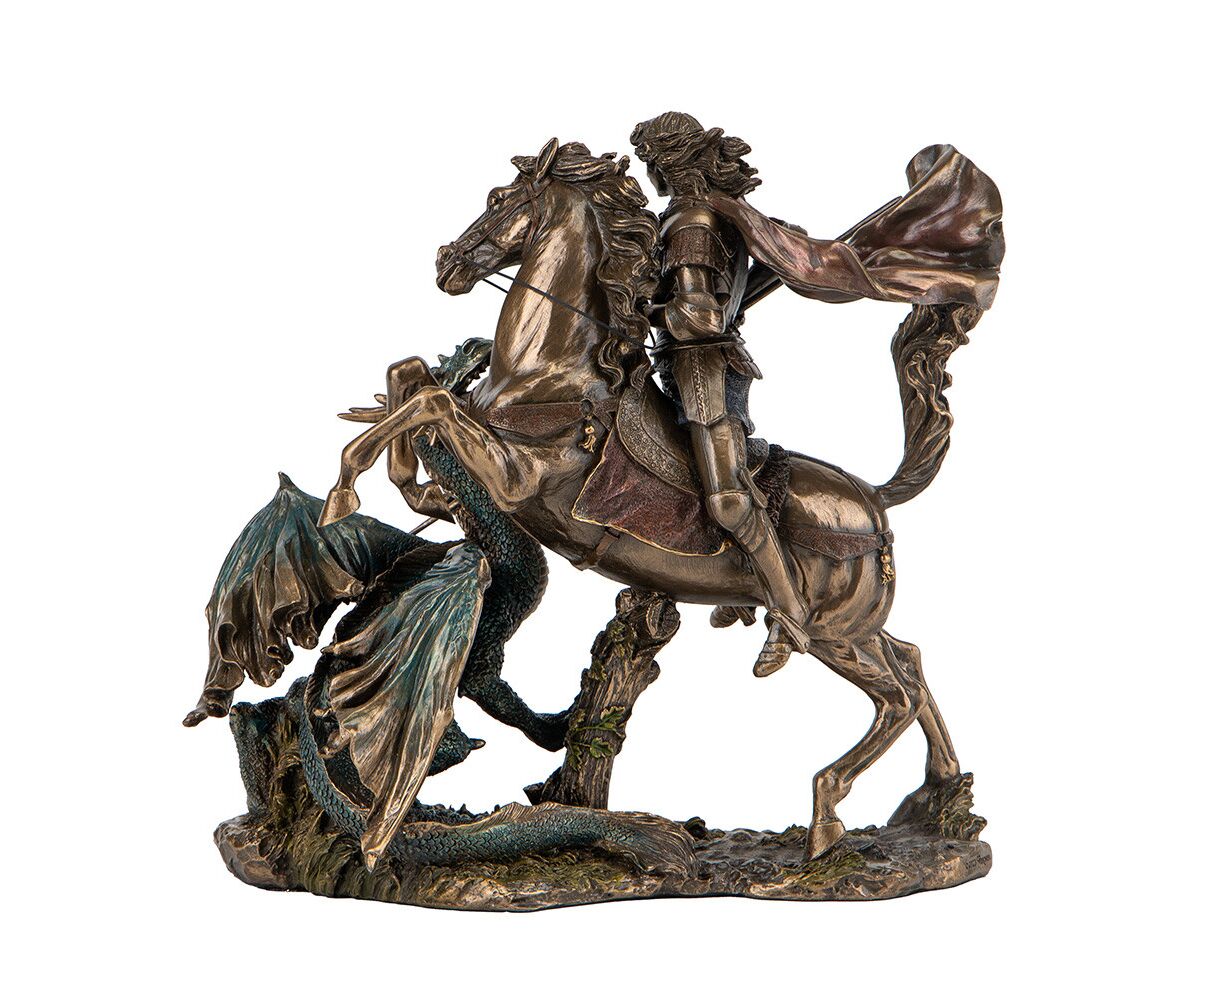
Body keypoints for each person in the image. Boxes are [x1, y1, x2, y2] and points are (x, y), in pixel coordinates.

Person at [631, 111, 810, 677]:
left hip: (703, 370)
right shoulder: (716, 216)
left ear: (669, 164)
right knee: (683, 471)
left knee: (727, 497)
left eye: (651, 163)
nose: (650, 175)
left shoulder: (689, 220)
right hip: (692, 367)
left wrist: (643, 309)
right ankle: (735, 572)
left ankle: (789, 612)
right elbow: (742, 290)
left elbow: (703, 317)